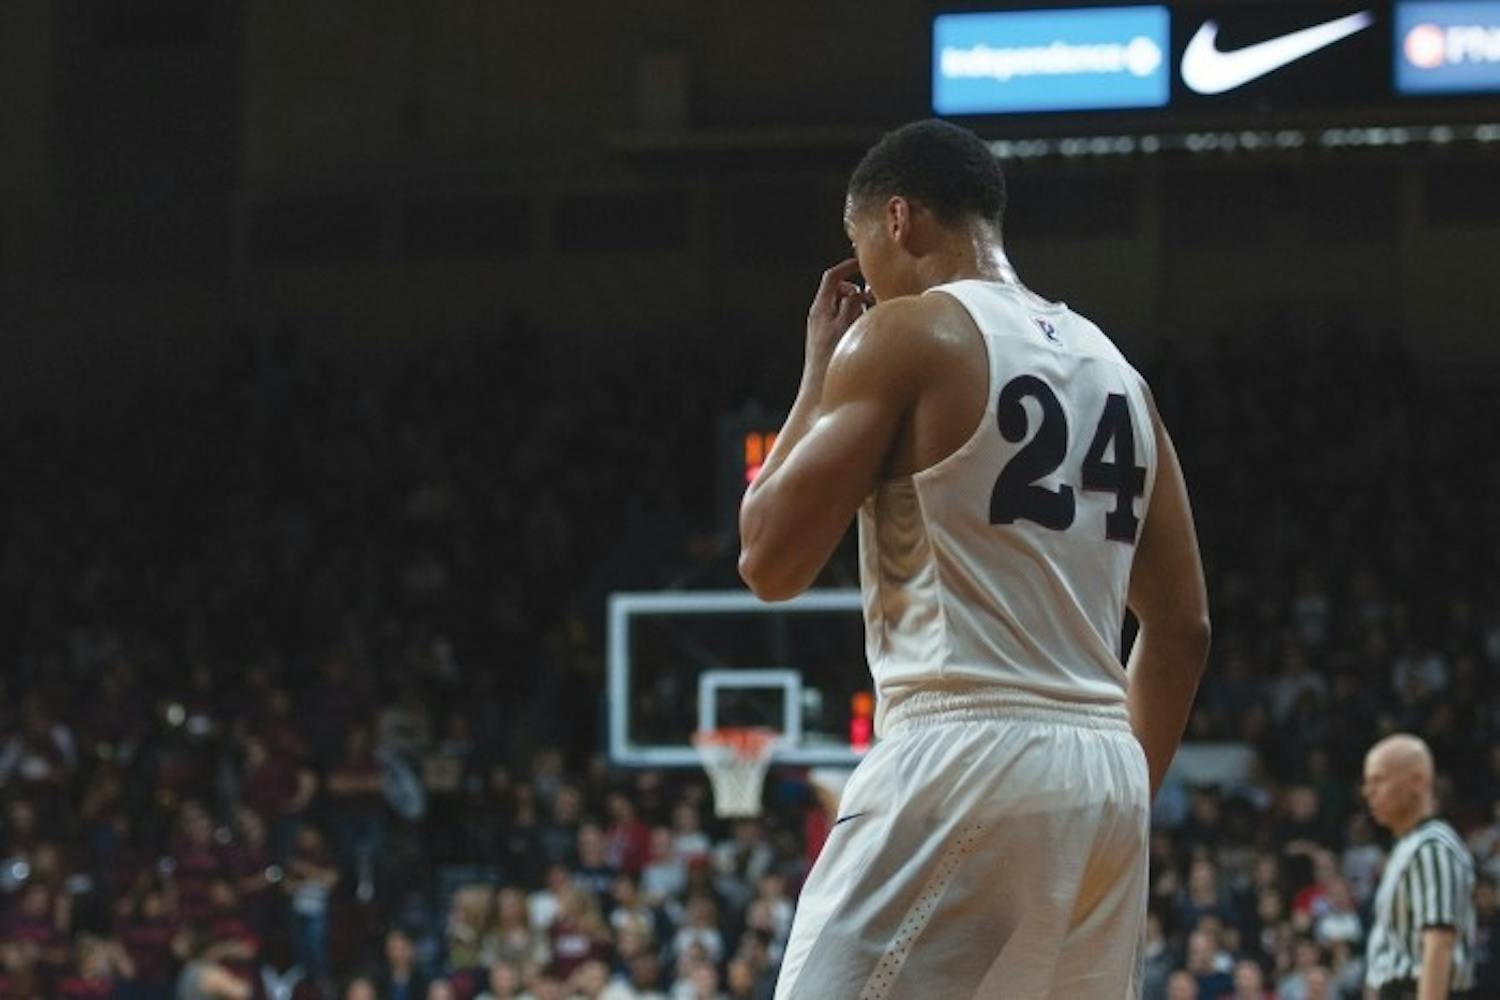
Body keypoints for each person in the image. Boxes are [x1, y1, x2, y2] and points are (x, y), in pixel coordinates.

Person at [739, 118, 1210, 997]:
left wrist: (815, 373)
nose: (866, 275)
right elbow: (1182, 627)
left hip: (966, 742)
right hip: (1107, 776)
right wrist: (1107, 793)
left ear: (898, 221)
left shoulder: (909, 334)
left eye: (858, 243)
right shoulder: (1120, 372)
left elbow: (768, 561)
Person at [1362, 733, 1477, 998]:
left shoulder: (1433, 848)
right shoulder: (1408, 845)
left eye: (1378, 780)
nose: (1368, 792)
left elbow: (1439, 944)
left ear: (1417, 781)